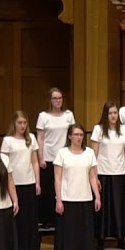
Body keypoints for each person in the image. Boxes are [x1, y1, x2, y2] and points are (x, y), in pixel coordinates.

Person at [53, 123, 101, 250]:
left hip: (85, 198)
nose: (79, 137)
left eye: (81, 135)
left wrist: (97, 196)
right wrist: (58, 199)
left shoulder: (89, 153)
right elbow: (58, 178)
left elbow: (93, 176)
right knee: (69, 235)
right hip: (68, 199)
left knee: (85, 234)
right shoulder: (62, 153)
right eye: (76, 134)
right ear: (69, 136)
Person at [91, 101, 125, 249]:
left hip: (120, 173)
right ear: (105, 115)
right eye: (110, 113)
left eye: (115, 113)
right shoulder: (98, 129)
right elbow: (93, 155)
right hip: (103, 173)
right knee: (103, 209)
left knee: (119, 208)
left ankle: (120, 239)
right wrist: (94, 177)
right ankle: (101, 239)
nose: (113, 116)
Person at [36, 88, 76, 235]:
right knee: (48, 189)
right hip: (48, 156)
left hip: (64, 156)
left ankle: (60, 215)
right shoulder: (43, 116)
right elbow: (40, 137)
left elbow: (73, 133)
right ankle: (46, 219)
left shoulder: (68, 115)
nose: (58, 101)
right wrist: (40, 157)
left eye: (60, 98)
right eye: (55, 98)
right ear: (50, 100)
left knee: (63, 187)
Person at [1, 111, 41, 250]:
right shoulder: (8, 140)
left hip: (29, 181)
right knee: (17, 215)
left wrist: (37, 181)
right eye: (19, 123)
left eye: (24, 123)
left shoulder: (31, 138)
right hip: (14, 183)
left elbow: (35, 161)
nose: (22, 125)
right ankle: (17, 245)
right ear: (14, 124)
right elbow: (3, 163)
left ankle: (31, 245)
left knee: (29, 216)